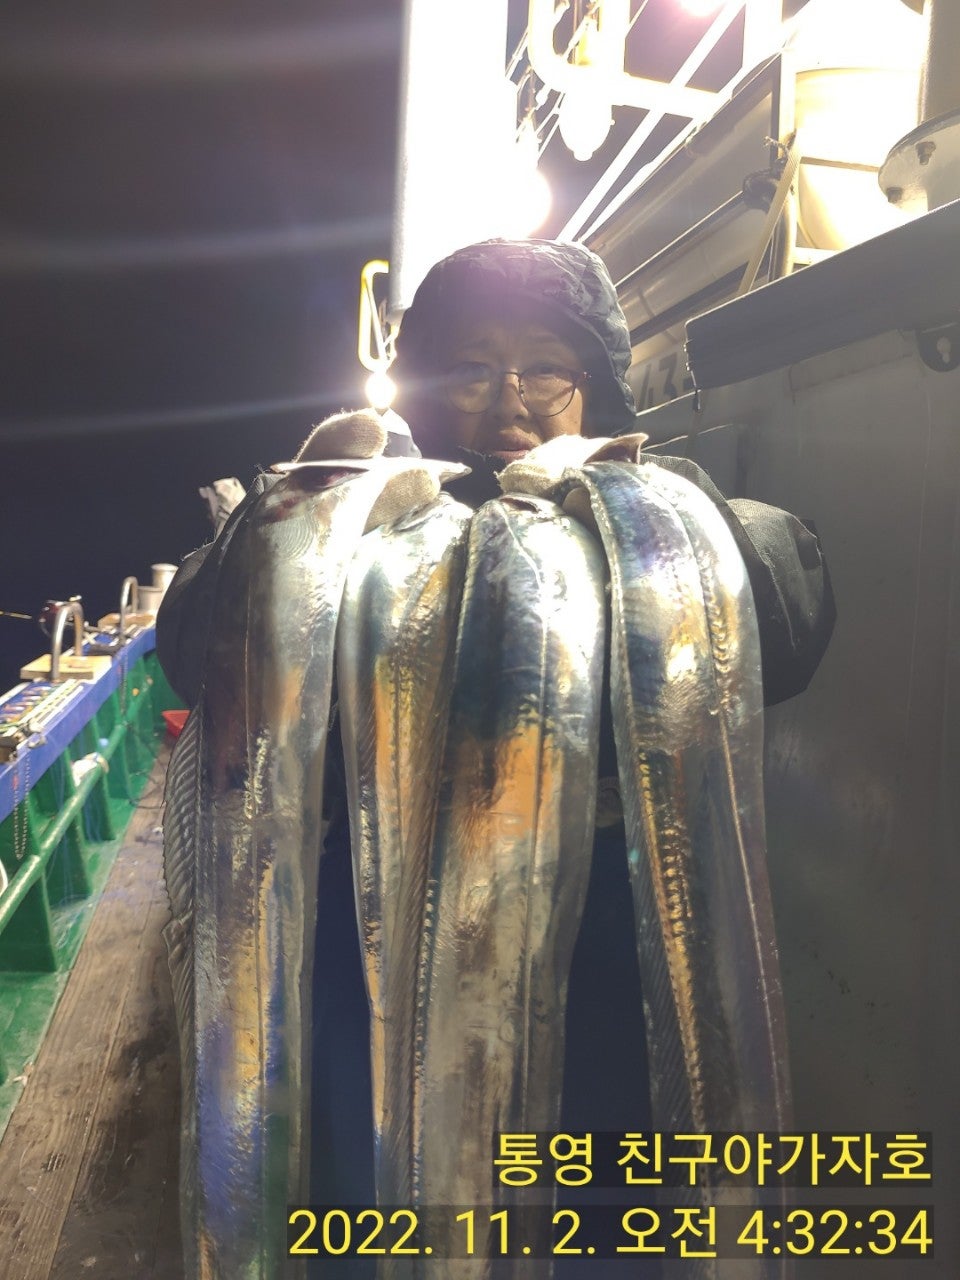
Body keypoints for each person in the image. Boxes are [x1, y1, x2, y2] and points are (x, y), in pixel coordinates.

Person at [157, 237, 835, 1266]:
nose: (510, 398)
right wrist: (287, 515)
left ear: (593, 387)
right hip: (367, 935)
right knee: (370, 1188)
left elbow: (790, 616)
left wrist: (690, 529)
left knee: (593, 1206)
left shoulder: (657, 505)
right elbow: (196, 646)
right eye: (472, 367)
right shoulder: (352, 515)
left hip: (604, 937)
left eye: (546, 368)